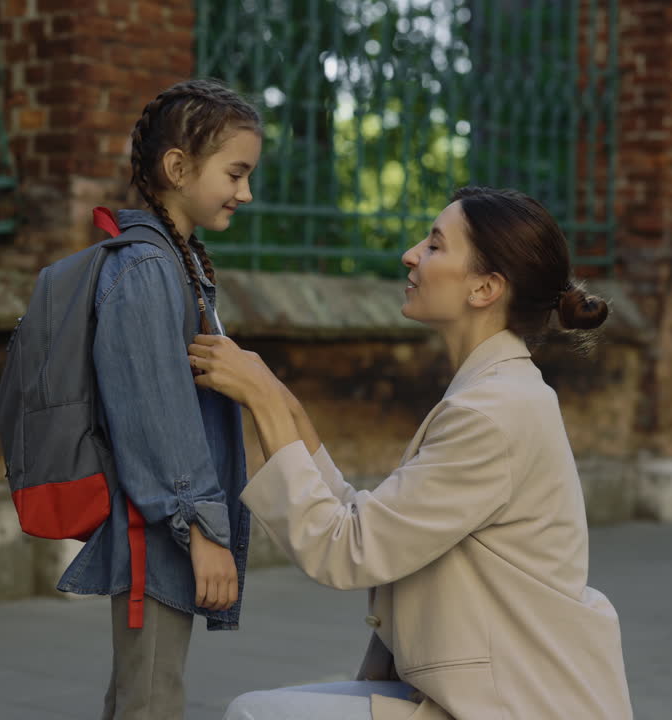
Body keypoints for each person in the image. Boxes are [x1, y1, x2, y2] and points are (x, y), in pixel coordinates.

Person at [190, 187, 634, 719]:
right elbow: (368, 521)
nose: (411, 253)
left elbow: (344, 549)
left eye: (435, 245)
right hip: (484, 690)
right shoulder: (496, 392)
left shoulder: (492, 414)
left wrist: (261, 397)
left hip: (512, 702)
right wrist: (271, 391)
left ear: (485, 287)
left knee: (252, 714)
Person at [55, 79, 262, 719]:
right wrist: (203, 529)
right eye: (235, 172)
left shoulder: (176, 261)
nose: (245, 192)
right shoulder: (147, 269)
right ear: (178, 167)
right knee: (151, 698)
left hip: (166, 521)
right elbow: (154, 413)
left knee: (143, 693)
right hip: (161, 527)